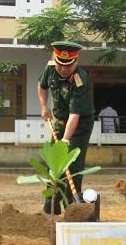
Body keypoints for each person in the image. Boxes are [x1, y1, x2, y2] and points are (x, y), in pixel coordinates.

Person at [38, 41, 95, 214]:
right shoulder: (50, 69)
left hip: (80, 125)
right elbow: (42, 87)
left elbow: (75, 115)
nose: (63, 69)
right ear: (55, 59)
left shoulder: (79, 80)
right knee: (52, 162)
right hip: (60, 120)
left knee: (72, 164)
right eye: (60, 64)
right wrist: (44, 106)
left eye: (68, 65)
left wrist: (65, 141)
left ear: (75, 62)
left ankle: (71, 208)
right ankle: (51, 205)